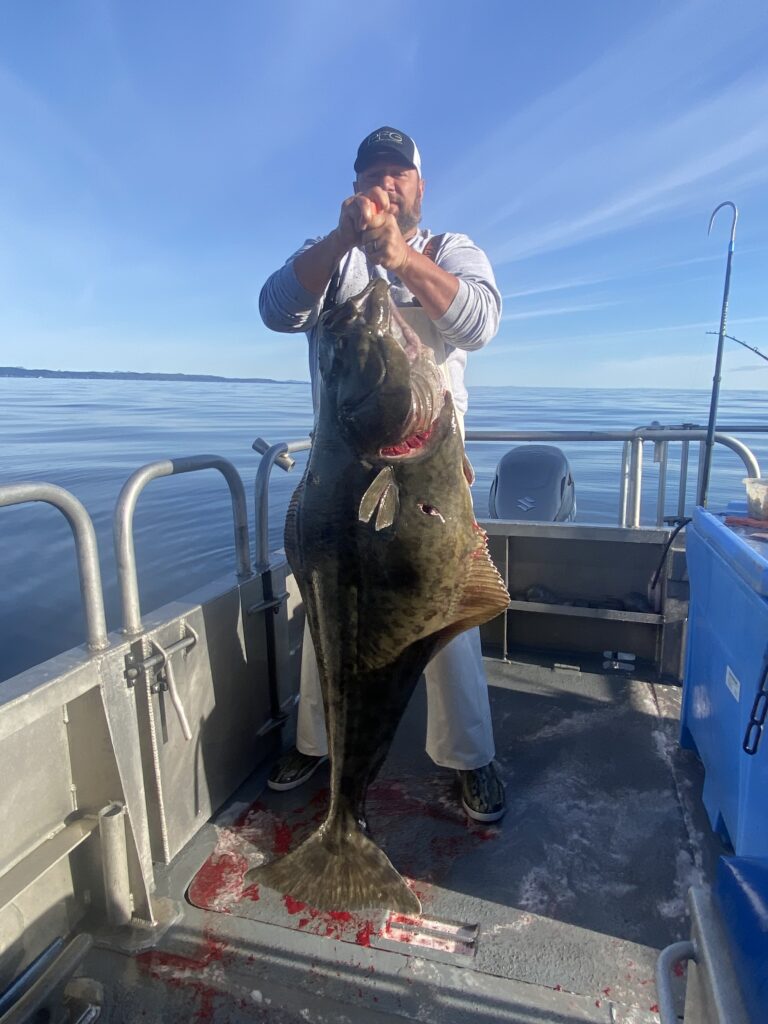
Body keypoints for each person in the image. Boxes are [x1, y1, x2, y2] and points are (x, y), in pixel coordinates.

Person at [258, 126, 505, 822]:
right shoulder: (329, 258)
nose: (385, 182)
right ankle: (317, 745)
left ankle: (470, 758)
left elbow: (480, 323)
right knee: (330, 614)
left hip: (429, 479)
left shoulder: (450, 250)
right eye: (373, 172)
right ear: (356, 185)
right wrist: (343, 242)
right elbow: (276, 309)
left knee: (447, 617)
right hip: (342, 473)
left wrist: (399, 256)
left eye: (399, 172)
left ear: (420, 186)